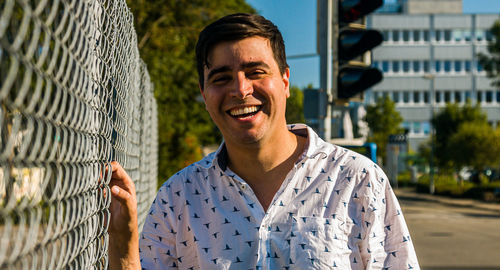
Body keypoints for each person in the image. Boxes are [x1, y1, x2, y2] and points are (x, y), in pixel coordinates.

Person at [109, 13, 420, 270]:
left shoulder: (358, 180)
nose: (241, 89)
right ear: (204, 94)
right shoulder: (178, 198)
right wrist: (124, 250)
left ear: (285, 82)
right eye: (221, 78)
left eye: (255, 71)